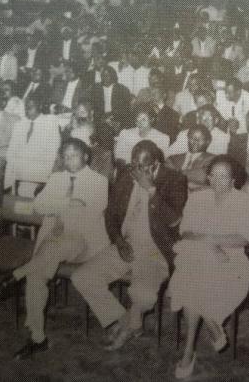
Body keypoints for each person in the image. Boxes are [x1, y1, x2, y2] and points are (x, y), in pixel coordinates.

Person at [0, 138, 110, 359]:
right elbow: (39, 205)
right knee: (37, 274)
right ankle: (37, 338)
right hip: (53, 242)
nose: (69, 160)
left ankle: (16, 274)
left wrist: (58, 206)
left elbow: (92, 211)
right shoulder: (57, 178)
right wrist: (69, 203)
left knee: (55, 248)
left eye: (74, 155)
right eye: (65, 156)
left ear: (86, 157)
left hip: (84, 242)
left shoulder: (98, 181)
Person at [71, 141, 188, 351]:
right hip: (126, 245)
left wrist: (151, 190)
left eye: (144, 166)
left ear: (156, 163)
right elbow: (111, 215)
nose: (137, 171)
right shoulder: (126, 176)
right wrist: (118, 241)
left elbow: (174, 221)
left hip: (156, 251)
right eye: (134, 164)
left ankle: (129, 326)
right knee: (82, 277)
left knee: (143, 295)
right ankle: (124, 321)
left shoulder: (175, 180)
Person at [170, 156, 249, 379]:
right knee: (193, 272)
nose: (218, 180)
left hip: (231, 260)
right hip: (199, 253)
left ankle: (190, 349)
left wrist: (209, 241)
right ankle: (208, 323)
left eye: (224, 176)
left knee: (190, 279)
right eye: (213, 175)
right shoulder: (197, 198)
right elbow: (186, 231)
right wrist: (210, 245)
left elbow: (244, 238)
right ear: (208, 177)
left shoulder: (247, 202)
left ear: (233, 179)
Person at [4, 96, 62, 195]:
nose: (27, 110)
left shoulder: (50, 124)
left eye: (30, 107)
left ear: (39, 106)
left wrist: (33, 172)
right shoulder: (19, 124)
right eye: (26, 107)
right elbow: (11, 151)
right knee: (10, 200)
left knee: (24, 199)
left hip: (38, 173)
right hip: (17, 171)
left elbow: (52, 154)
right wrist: (15, 168)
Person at [165, 125, 215, 191]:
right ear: (188, 138)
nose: (195, 141)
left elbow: (202, 177)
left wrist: (176, 175)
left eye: (200, 138)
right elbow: (165, 177)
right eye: (192, 137)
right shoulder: (173, 158)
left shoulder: (214, 160)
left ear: (207, 141)